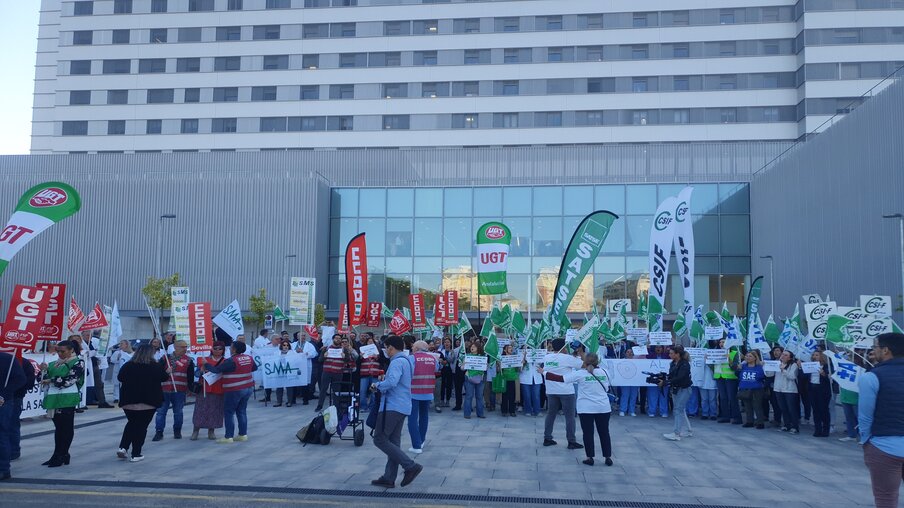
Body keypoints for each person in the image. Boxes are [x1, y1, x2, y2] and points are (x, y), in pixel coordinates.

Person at [541, 353, 613, 466]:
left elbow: (560, 379)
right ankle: (608, 457)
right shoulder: (605, 372)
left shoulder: (580, 374)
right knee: (604, 432)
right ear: (597, 361)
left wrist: (544, 372)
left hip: (586, 408)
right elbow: (607, 387)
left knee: (588, 433)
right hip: (603, 407)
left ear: (585, 362)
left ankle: (590, 457)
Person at [858, 333, 904, 508]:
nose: (873, 350)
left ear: (886, 350)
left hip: (884, 446)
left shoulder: (871, 377)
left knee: (886, 499)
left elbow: (865, 416)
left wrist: (867, 442)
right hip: (887, 442)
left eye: (875, 347)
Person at [370, 335, 422, 489]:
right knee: (393, 443)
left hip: (392, 406)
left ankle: (410, 466)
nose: (386, 350)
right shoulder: (407, 361)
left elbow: (392, 382)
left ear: (391, 348)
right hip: (403, 406)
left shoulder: (397, 362)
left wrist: (377, 385)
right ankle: (389, 477)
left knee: (379, 439)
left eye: (386, 347)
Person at [116, 345, 168, 462]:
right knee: (141, 427)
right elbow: (164, 378)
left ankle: (123, 447)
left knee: (132, 423)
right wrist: (167, 372)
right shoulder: (155, 366)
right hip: (148, 402)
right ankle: (136, 453)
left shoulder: (128, 365)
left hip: (129, 401)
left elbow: (120, 378)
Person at [40, 340, 85, 467]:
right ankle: (58, 454)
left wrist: (51, 380)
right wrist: (43, 371)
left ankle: (62, 453)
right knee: (59, 428)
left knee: (66, 428)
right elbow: (40, 378)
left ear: (71, 350)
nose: (60, 353)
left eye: (62, 351)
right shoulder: (54, 364)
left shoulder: (77, 362)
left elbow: (70, 380)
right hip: (54, 398)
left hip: (67, 398)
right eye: (58, 351)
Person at [203, 341, 257, 444]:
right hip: (247, 387)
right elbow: (254, 368)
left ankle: (228, 437)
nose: (229, 349)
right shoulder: (248, 358)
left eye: (231, 347)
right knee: (241, 411)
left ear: (234, 349)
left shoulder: (231, 360)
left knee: (229, 412)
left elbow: (216, 370)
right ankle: (242, 435)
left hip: (234, 389)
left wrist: (206, 364)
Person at [543, 339, 584, 449]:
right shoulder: (568, 358)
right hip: (566, 391)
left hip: (551, 390)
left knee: (550, 414)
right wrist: (579, 353)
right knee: (570, 417)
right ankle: (571, 441)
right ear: (564, 347)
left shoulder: (547, 357)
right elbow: (584, 365)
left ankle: (547, 438)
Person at [152, 340, 194, 441]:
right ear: (175, 347)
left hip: (179, 390)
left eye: (186, 347)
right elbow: (157, 373)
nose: (185, 349)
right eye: (182, 347)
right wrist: (165, 372)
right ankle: (159, 432)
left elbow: (190, 377)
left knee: (178, 412)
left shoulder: (188, 360)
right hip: (164, 389)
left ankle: (177, 431)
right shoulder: (165, 358)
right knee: (161, 412)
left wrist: (190, 389)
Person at [0, 350, 27, 480]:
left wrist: (4, 394)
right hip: (5, 399)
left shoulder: (8, 359)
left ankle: (3, 469)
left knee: (1, 435)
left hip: (3, 402)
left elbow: (21, 379)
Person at [192, 341, 226, 440]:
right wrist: (201, 369)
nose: (217, 351)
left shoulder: (226, 361)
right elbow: (197, 374)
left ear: (223, 350)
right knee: (200, 410)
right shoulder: (203, 359)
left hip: (218, 388)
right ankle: (195, 430)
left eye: (220, 349)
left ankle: (211, 431)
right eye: (215, 348)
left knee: (214, 411)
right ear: (211, 349)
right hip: (204, 388)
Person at [408, 340, 437, 454]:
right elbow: (436, 369)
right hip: (428, 391)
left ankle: (416, 445)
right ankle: (422, 440)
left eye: (413, 347)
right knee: (424, 416)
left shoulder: (412, 358)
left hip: (414, 391)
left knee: (412, 419)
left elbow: (408, 372)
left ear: (416, 348)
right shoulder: (433, 358)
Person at [316, 334, 358, 412]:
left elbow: (348, 360)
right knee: (323, 389)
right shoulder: (327, 348)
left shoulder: (343, 349)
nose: (338, 339)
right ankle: (319, 405)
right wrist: (324, 356)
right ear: (333, 339)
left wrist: (344, 356)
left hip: (338, 372)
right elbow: (320, 360)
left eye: (339, 338)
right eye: (336, 338)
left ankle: (336, 406)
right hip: (327, 371)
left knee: (336, 391)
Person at [7, 354, 36, 463]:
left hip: (15, 397)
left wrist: (14, 387)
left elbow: (29, 382)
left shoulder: (23, 362)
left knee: (12, 423)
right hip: (10, 396)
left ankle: (14, 451)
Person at [663, 345, 694, 441]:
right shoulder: (672, 363)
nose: (670, 355)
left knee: (678, 410)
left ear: (677, 354)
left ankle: (677, 433)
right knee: (681, 410)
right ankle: (688, 430)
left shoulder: (684, 364)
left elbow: (680, 377)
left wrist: (666, 382)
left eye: (672, 353)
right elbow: (671, 375)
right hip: (676, 389)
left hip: (684, 389)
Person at [767, 349, 800, 434]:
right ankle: (786, 425)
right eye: (782, 354)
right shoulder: (777, 363)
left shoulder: (793, 365)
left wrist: (783, 370)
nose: (783, 356)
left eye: (786, 355)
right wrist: (766, 367)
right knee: (783, 408)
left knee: (791, 408)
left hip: (790, 390)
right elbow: (769, 375)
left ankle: (795, 426)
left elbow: (792, 376)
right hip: (778, 389)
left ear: (790, 358)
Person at [714, 339, 742, 424]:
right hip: (720, 377)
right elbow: (712, 365)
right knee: (723, 398)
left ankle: (736, 417)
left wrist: (729, 359)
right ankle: (725, 416)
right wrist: (708, 360)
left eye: (723, 342)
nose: (722, 344)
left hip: (730, 378)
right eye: (720, 342)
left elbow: (735, 367)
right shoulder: (715, 353)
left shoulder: (734, 353)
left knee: (732, 398)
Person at [737, 350, 767, 429]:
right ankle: (749, 421)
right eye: (747, 356)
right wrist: (738, 368)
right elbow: (738, 376)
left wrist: (763, 366)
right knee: (747, 406)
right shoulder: (743, 366)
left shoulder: (760, 367)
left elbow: (761, 376)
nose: (748, 358)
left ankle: (760, 422)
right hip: (745, 388)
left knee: (757, 406)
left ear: (755, 358)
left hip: (756, 389)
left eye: (750, 356)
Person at [807, 350, 832, 438]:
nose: (815, 356)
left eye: (817, 355)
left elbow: (830, 380)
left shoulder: (826, 366)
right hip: (813, 389)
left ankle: (826, 429)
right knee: (815, 410)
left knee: (824, 410)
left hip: (823, 390)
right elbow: (805, 377)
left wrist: (823, 374)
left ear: (821, 356)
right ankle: (817, 429)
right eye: (813, 355)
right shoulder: (810, 365)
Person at [86, 330, 114, 408]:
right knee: (88, 384)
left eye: (90, 335)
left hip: (95, 365)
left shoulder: (91, 343)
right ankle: (87, 400)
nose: (89, 337)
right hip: (88, 367)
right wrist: (94, 352)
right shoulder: (83, 344)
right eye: (87, 335)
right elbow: (86, 354)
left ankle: (102, 401)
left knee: (99, 384)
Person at [291, 331, 318, 406]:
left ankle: (305, 399)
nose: (303, 337)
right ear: (297, 337)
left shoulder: (309, 345)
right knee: (294, 383)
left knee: (305, 383)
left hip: (305, 366)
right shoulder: (292, 345)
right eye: (301, 336)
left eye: (304, 336)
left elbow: (314, 353)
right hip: (295, 366)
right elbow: (289, 353)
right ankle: (293, 399)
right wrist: (296, 351)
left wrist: (306, 353)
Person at [462, 342, 487, 420]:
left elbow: (485, 369)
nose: (472, 348)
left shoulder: (482, 357)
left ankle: (480, 413)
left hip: (480, 378)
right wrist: (464, 364)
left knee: (479, 396)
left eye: (474, 346)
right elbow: (462, 368)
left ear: (478, 348)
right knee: (469, 396)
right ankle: (467, 413)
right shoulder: (467, 356)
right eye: (471, 346)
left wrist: (485, 365)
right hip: (469, 378)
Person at [646, 345, 670, 418]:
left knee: (663, 396)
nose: (658, 349)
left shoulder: (667, 356)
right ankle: (651, 411)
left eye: (660, 347)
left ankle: (663, 411)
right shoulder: (650, 356)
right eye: (656, 347)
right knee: (652, 396)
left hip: (664, 380)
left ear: (663, 348)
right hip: (653, 380)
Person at [519, 346, 542, 417]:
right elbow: (520, 368)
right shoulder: (521, 355)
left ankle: (537, 411)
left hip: (536, 378)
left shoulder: (537, 354)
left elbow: (541, 364)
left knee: (536, 395)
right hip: (525, 379)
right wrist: (524, 358)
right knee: (527, 396)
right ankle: (528, 410)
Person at [618, 347, 640, 417]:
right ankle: (622, 410)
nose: (630, 353)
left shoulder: (638, 361)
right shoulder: (621, 361)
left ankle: (632, 411)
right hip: (625, 381)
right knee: (625, 395)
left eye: (631, 352)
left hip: (635, 381)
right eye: (628, 352)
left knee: (633, 396)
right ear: (625, 353)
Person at [110, 340, 134, 404]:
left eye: (122, 344)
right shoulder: (117, 352)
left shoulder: (132, 353)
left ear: (126, 345)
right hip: (118, 370)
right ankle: (116, 397)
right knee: (117, 384)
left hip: (128, 371)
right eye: (120, 344)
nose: (120, 345)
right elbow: (112, 360)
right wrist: (117, 358)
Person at [498, 344, 519, 417]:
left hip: (512, 378)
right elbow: (498, 370)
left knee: (512, 396)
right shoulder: (501, 358)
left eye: (511, 348)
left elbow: (517, 369)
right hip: (504, 378)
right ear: (504, 350)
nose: (511, 349)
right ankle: (504, 410)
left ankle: (512, 411)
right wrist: (499, 365)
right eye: (509, 348)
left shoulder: (514, 358)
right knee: (504, 395)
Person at [450, 338, 465, 411]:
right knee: (458, 390)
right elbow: (451, 360)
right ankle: (458, 404)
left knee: (468, 391)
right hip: (457, 372)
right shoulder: (455, 350)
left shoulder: (469, 350)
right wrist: (451, 354)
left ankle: (468, 406)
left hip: (467, 372)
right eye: (457, 342)